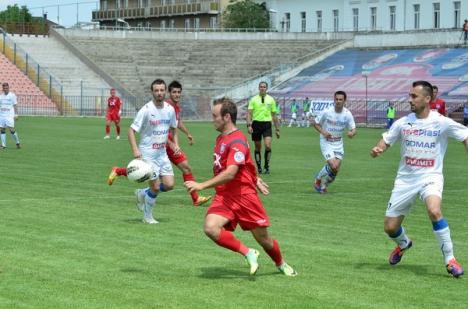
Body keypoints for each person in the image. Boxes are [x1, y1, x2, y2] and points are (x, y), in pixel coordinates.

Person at [184, 97, 297, 277]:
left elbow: (230, 173)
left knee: (264, 240)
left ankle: (281, 263)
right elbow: (247, 163)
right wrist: (255, 177)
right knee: (210, 228)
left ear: (227, 117)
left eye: (215, 116)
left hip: (245, 197)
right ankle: (248, 252)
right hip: (225, 196)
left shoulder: (237, 141)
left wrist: (201, 185)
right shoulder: (221, 138)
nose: (212, 119)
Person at [370, 80, 468, 278]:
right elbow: (386, 139)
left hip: (431, 177)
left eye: (414, 96)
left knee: (434, 210)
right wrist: (379, 148)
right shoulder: (403, 122)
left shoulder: (441, 122)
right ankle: (404, 243)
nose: (410, 100)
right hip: (405, 180)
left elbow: (465, 135)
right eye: (409, 96)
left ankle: (450, 259)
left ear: (427, 98)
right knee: (390, 228)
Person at [107, 81, 211, 206]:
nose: (177, 95)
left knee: (176, 176)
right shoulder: (160, 107)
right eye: (174, 92)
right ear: (169, 93)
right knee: (155, 175)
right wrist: (172, 144)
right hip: (160, 146)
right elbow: (159, 131)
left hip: (165, 147)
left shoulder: (173, 108)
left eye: (179, 92)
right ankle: (192, 199)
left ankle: (124, 175)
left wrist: (183, 137)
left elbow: (175, 125)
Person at [129, 79, 178, 224]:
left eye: (162, 90)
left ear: (165, 91)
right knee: (156, 187)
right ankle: (147, 216)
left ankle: (142, 192)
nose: (159, 93)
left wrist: (175, 144)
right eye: (156, 90)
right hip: (148, 154)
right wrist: (135, 150)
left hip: (162, 153)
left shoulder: (170, 109)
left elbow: (174, 128)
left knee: (169, 185)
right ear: (152, 92)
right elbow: (131, 130)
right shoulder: (146, 110)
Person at [313, 91, 356, 194]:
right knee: (333, 165)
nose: (338, 101)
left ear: (344, 101)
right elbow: (315, 123)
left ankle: (324, 186)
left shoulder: (347, 114)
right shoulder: (327, 111)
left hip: (338, 143)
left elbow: (354, 129)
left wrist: (351, 133)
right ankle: (318, 179)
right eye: (336, 99)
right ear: (334, 99)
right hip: (326, 141)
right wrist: (324, 132)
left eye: (340, 99)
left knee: (335, 171)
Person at [246, 81, 280, 175]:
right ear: (258, 88)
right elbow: (249, 113)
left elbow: (274, 115)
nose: (262, 88)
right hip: (256, 124)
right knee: (258, 147)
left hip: (267, 124)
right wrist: (249, 125)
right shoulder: (253, 99)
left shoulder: (271, 100)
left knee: (268, 146)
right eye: (261, 87)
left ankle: (267, 166)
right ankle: (259, 167)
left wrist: (277, 129)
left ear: (267, 88)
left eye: (264, 87)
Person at [0, 82, 21, 149]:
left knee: (11, 129)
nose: (5, 89)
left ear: (8, 88)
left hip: (9, 115)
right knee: (2, 129)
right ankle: (3, 145)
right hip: (2, 115)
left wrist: (16, 114)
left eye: (7, 88)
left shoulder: (12, 95)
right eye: (4, 88)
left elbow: (15, 105)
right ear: (2, 89)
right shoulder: (1, 96)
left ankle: (17, 142)